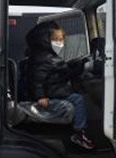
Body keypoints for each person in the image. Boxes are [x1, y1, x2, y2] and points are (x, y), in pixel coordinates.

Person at [26, 21, 95, 150]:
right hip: (51, 93)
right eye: (56, 39)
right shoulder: (46, 58)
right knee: (78, 100)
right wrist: (40, 96)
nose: (60, 43)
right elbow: (37, 79)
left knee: (77, 96)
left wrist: (79, 65)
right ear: (45, 40)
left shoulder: (47, 56)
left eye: (61, 39)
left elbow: (65, 72)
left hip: (55, 90)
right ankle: (79, 132)